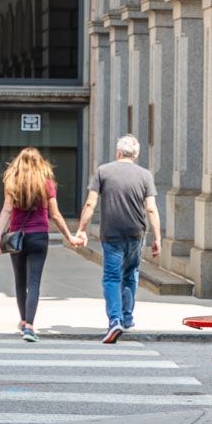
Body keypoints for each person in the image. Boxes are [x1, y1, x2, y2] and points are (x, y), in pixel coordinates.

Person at [75, 134, 161, 344]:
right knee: (131, 275)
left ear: (118, 152)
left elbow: (90, 204)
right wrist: (157, 237)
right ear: (137, 154)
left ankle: (115, 320)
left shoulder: (104, 171)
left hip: (111, 234)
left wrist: (81, 229)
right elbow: (151, 208)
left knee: (112, 277)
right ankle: (127, 317)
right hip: (135, 233)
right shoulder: (145, 175)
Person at [0, 147, 80, 342]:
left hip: (17, 238)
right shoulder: (47, 184)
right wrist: (69, 236)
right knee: (34, 282)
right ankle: (30, 326)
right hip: (39, 237)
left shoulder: (12, 183)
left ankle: (23, 321)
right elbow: (55, 215)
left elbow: (6, 211)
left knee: (20, 281)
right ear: (41, 164)